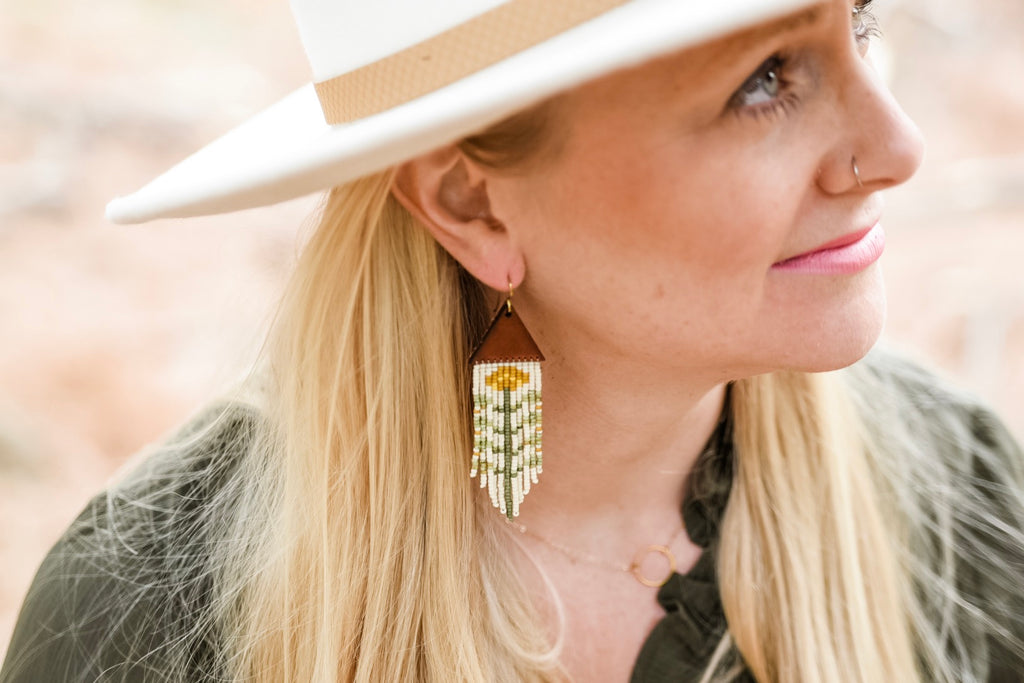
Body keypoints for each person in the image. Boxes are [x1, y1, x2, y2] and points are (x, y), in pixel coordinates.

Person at [2, 0, 1023, 680]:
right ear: (469, 201)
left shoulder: (958, 502)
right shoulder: (149, 618)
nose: (894, 146)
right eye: (763, 79)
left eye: (863, 20)